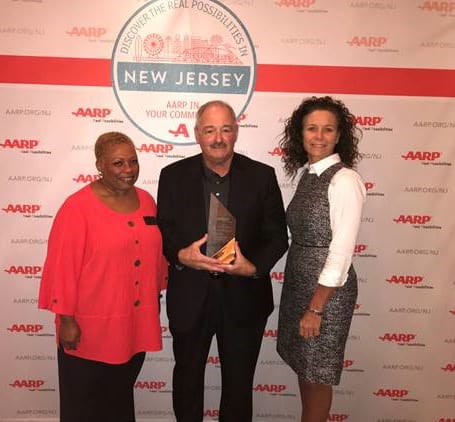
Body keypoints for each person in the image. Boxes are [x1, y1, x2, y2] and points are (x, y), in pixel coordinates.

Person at [157, 100, 288, 422]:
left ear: (236, 132)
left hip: (244, 300)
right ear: (197, 134)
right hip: (190, 298)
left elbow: (277, 237)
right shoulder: (172, 176)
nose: (218, 138)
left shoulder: (262, 176)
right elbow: (166, 231)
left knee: (239, 386)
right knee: (187, 381)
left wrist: (253, 267)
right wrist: (180, 255)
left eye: (226, 129)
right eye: (210, 130)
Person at [38, 131, 167, 422]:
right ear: (100, 165)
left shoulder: (147, 201)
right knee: (83, 405)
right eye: (118, 163)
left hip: (133, 325)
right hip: (88, 328)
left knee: (119, 399)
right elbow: (61, 267)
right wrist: (66, 320)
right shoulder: (77, 207)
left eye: (133, 162)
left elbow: (156, 255)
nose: (128, 170)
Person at [276, 96, 366, 422]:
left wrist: (316, 307)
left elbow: (341, 251)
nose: (319, 136)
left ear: (339, 135)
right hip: (301, 283)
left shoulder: (345, 180)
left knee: (317, 374)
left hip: (325, 296)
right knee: (306, 367)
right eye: (311, 128)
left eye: (327, 129)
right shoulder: (309, 174)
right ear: (300, 134)